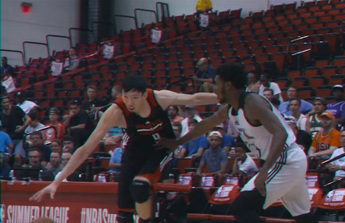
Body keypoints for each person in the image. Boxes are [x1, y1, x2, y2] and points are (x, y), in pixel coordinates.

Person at [30, 75, 218, 223]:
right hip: (134, 149)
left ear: (144, 94)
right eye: (126, 96)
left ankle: (146, 221)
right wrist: (58, 180)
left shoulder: (160, 98)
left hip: (161, 147)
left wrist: (227, 98)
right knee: (123, 215)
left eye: (135, 97)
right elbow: (86, 148)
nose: (129, 102)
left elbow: (195, 98)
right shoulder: (116, 111)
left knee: (140, 186)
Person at [157, 63, 314, 223]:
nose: (214, 90)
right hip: (290, 161)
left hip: (286, 160)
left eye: (216, 84)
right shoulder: (230, 109)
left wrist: (265, 171)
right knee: (304, 216)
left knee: (242, 207)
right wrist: (178, 142)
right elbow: (206, 124)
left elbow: (280, 133)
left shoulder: (252, 103)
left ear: (228, 85)